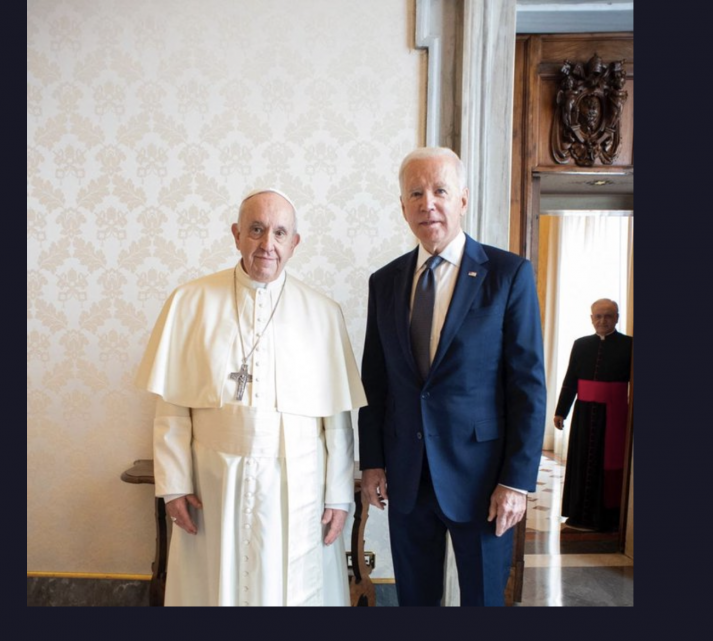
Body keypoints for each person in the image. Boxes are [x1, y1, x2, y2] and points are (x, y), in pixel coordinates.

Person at [136, 188, 367, 606]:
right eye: (256, 230)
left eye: (280, 233)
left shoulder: (323, 313)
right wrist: (173, 485)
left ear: (295, 243)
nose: (267, 245)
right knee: (213, 586)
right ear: (236, 234)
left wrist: (337, 494)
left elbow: (336, 418)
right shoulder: (190, 301)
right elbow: (171, 409)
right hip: (213, 480)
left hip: (297, 479)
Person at [358, 147, 546, 606]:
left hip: (483, 482)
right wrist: (372, 462)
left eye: (440, 190)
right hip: (407, 478)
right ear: (402, 206)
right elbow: (374, 382)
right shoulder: (384, 282)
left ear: (462, 199)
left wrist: (516, 482)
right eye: (416, 193)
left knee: (482, 602)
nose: (428, 204)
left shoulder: (508, 275)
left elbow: (528, 385)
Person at [553, 298, 632, 533]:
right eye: (598, 316)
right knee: (581, 461)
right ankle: (579, 513)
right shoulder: (580, 344)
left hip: (616, 414)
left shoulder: (630, 345)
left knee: (609, 464)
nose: (602, 321)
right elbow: (570, 381)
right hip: (584, 413)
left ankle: (608, 517)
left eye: (608, 316)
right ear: (591, 318)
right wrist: (561, 411)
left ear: (617, 318)